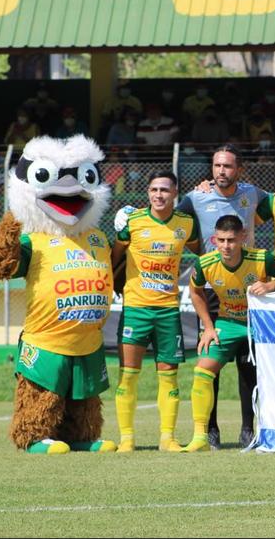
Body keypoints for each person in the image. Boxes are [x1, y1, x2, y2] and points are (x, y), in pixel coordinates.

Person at [173, 146, 266, 449]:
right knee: (210, 356)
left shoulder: (253, 194)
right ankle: (210, 428)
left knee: (247, 363)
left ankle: (247, 428)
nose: (221, 171)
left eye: (227, 166)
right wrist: (199, 253)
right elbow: (178, 227)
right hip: (212, 288)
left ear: (239, 169)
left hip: (248, 285)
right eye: (216, 166)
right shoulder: (195, 197)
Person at [111, 171, 200, 453]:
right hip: (135, 308)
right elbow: (114, 257)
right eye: (153, 190)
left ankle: (167, 438)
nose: (158, 195)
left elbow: (202, 252)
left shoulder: (185, 224)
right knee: (128, 375)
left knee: (169, 376)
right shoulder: (133, 222)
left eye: (164, 190)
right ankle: (127, 438)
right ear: (147, 193)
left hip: (168, 312)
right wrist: (114, 281)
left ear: (175, 194)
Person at [185, 215, 275, 452]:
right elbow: (195, 291)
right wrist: (208, 327)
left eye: (231, 240)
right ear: (214, 239)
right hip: (227, 323)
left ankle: (254, 430)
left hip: (259, 323)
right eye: (221, 240)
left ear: (242, 238)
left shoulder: (262, 258)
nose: (226, 246)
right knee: (202, 370)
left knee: (268, 375)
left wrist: (270, 285)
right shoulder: (205, 263)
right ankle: (202, 435)